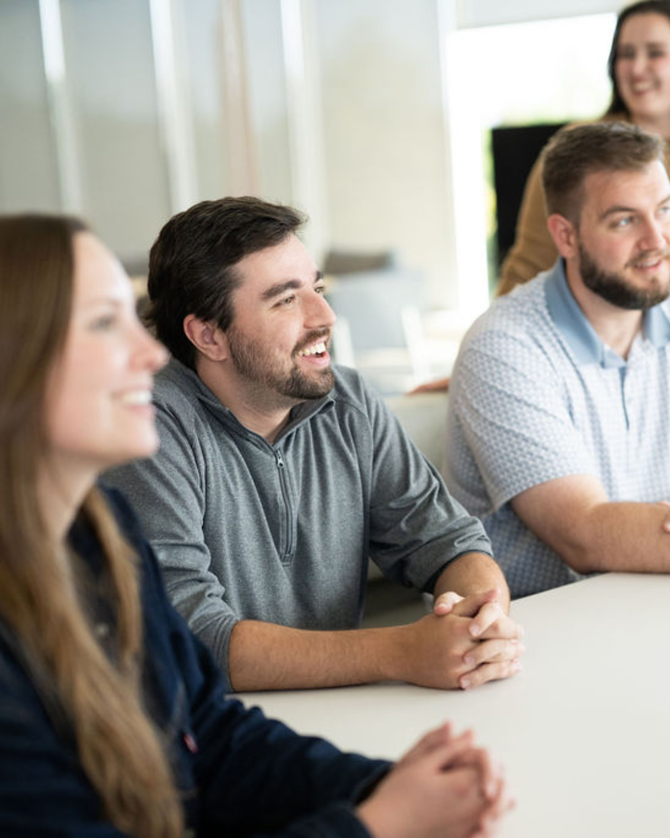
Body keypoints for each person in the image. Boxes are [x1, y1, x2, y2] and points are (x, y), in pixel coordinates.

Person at [0, 212, 514, 836]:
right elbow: (204, 647)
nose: (149, 352)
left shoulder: (99, 533)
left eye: (316, 288)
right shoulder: (146, 449)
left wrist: (381, 785)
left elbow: (207, 736)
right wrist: (380, 823)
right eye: (105, 324)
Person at [104, 197, 524, 694]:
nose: (325, 316)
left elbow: (447, 541)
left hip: (340, 711)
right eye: (286, 300)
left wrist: (480, 621)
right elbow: (189, 635)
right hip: (202, 726)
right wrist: (400, 651)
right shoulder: (146, 426)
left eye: (317, 289)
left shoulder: (348, 401)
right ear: (208, 335)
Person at [445, 121, 670, 598]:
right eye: (625, 221)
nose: (656, 239)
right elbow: (584, 534)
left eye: (665, 210)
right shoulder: (504, 346)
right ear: (565, 236)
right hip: (535, 628)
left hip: (645, 603)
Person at [498, 0, 670, 296]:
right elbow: (529, 263)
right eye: (626, 54)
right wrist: (499, 321)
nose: (637, 68)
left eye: (655, 53)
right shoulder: (582, 149)